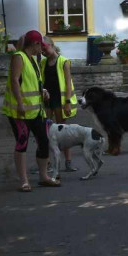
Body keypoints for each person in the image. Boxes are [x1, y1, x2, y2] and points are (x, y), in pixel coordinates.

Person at [3, 29, 61, 192]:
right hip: (20, 112)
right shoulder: (19, 57)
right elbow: (15, 81)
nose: (42, 49)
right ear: (35, 44)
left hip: (36, 110)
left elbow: (31, 82)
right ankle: (24, 181)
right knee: (22, 142)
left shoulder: (33, 60)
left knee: (44, 141)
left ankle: (44, 177)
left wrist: (43, 91)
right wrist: (20, 103)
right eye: (40, 45)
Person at [41, 36, 78, 173]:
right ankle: (47, 163)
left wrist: (67, 102)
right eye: (41, 49)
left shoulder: (63, 62)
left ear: (51, 45)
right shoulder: (43, 63)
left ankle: (68, 162)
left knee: (62, 132)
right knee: (45, 132)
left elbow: (68, 84)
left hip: (59, 101)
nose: (43, 51)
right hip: (47, 100)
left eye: (44, 48)